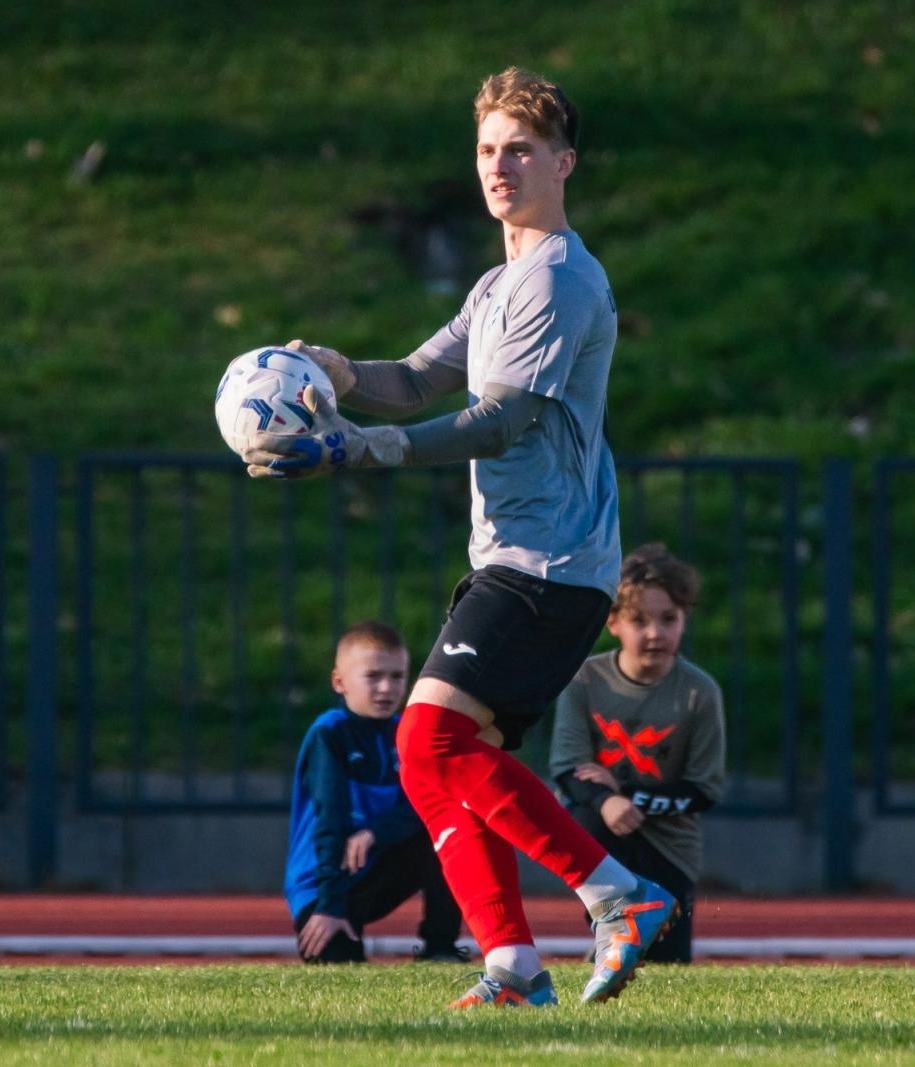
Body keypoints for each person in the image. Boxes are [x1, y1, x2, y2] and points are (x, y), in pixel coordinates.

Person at [245, 67, 676, 1007]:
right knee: (426, 751)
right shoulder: (499, 283)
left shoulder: (561, 278)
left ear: (563, 162)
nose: (499, 166)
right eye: (486, 149)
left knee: (430, 734)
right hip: (517, 559)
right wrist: (333, 370)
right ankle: (514, 965)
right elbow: (411, 376)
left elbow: (496, 422)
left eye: (519, 148)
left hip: (552, 563)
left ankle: (617, 894)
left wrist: (360, 449)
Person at [549, 543, 725, 963]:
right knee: (586, 812)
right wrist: (607, 802)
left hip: (669, 846)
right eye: (639, 620)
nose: (654, 634)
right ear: (612, 622)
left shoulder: (700, 692)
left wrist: (627, 795)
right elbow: (567, 771)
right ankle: (608, 929)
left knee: (668, 965)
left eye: (669, 619)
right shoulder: (585, 680)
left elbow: (704, 790)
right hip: (603, 836)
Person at [284, 621, 468, 964]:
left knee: (449, 829)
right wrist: (328, 906)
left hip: (376, 861)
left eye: (397, 676)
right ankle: (333, 919)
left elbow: (426, 804)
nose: (386, 688)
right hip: (325, 879)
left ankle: (440, 947)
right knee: (337, 963)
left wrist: (375, 833)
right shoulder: (329, 734)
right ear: (339, 682)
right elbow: (331, 820)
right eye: (373, 676)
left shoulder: (406, 732)